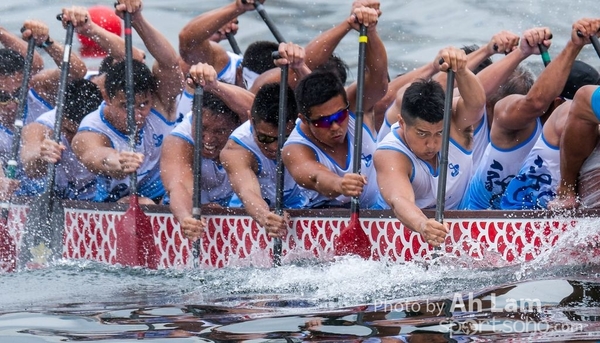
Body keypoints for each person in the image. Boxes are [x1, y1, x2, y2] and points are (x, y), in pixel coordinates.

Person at [461, 19, 599, 210]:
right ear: (558, 102)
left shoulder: (584, 133)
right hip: (477, 219)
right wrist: (574, 45)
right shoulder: (509, 116)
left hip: (529, 221)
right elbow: (535, 103)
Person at [72, 0, 184, 204]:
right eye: (125, 106)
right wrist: (116, 161)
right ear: (106, 97)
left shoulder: (160, 102)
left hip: (169, 196)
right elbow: (93, 155)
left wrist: (137, 19)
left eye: (143, 104)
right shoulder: (90, 129)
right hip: (118, 203)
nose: (136, 114)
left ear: (152, 97)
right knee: (145, 204)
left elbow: (170, 64)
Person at [374, 47, 486, 247]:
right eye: (422, 134)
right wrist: (423, 225)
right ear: (402, 123)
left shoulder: (455, 122)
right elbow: (399, 199)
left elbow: (477, 105)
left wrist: (462, 70)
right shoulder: (389, 153)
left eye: (439, 133)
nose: (432, 144)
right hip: (404, 226)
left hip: (460, 215)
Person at [282, 5, 387, 209]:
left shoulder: (356, 105)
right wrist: (340, 184)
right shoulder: (294, 148)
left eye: (340, 116)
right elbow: (315, 177)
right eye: (323, 121)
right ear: (304, 119)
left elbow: (378, 78)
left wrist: (371, 30)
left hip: (377, 210)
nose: (336, 127)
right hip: (325, 214)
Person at [161, 63, 250, 241]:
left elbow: (255, 106)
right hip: (190, 212)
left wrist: (214, 85)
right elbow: (179, 186)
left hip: (238, 207)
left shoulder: (246, 130)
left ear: (237, 124)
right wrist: (187, 218)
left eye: (219, 132)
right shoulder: (179, 140)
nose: (208, 139)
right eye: (202, 128)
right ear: (193, 117)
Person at [500, 61, 600, 210]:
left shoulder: (574, 109)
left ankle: (567, 191)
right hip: (518, 210)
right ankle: (567, 191)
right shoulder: (567, 110)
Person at [220, 82, 307, 238]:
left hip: (300, 205)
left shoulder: (307, 128)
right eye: (264, 138)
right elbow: (247, 191)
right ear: (250, 119)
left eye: (283, 139)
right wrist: (265, 216)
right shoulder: (237, 148)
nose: (274, 147)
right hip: (253, 214)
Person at [20, 79, 103, 200]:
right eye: (68, 131)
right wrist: (40, 155)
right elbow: (29, 164)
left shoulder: (104, 123)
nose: (74, 140)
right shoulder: (42, 126)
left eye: (80, 134)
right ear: (60, 114)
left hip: (96, 197)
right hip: (55, 197)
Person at [178, 0, 276, 90]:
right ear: (239, 73)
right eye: (248, 86)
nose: (254, 96)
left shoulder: (283, 77)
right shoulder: (221, 62)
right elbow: (187, 40)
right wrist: (238, 7)